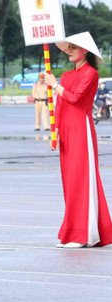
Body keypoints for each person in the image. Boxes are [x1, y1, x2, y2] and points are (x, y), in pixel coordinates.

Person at [44, 31, 112, 248]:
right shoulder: (66, 76)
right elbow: (60, 106)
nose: (69, 51)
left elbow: (75, 99)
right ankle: (72, 232)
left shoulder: (90, 73)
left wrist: (55, 85)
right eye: (68, 48)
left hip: (81, 130)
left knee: (82, 179)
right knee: (70, 183)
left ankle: (84, 234)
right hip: (67, 131)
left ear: (85, 51)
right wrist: (55, 133)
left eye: (73, 47)